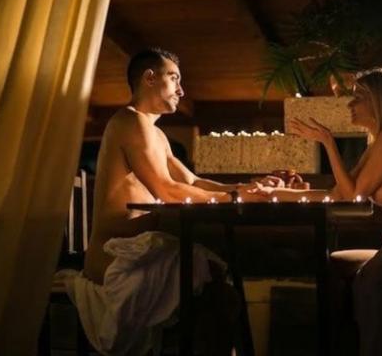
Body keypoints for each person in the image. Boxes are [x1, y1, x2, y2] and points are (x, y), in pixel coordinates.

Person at [254, 67, 382, 355]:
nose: (350, 104)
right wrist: (276, 194)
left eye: (358, 97)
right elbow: (336, 195)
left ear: (380, 101)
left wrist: (329, 143)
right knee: (341, 266)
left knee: (355, 276)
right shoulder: (381, 142)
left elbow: (352, 196)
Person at [68, 48, 253, 355]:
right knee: (215, 287)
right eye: (174, 78)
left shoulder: (156, 134)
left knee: (220, 289)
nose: (181, 90)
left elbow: (191, 182)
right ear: (150, 78)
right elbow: (167, 190)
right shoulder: (129, 121)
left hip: (144, 249)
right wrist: (230, 198)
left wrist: (249, 188)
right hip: (114, 254)